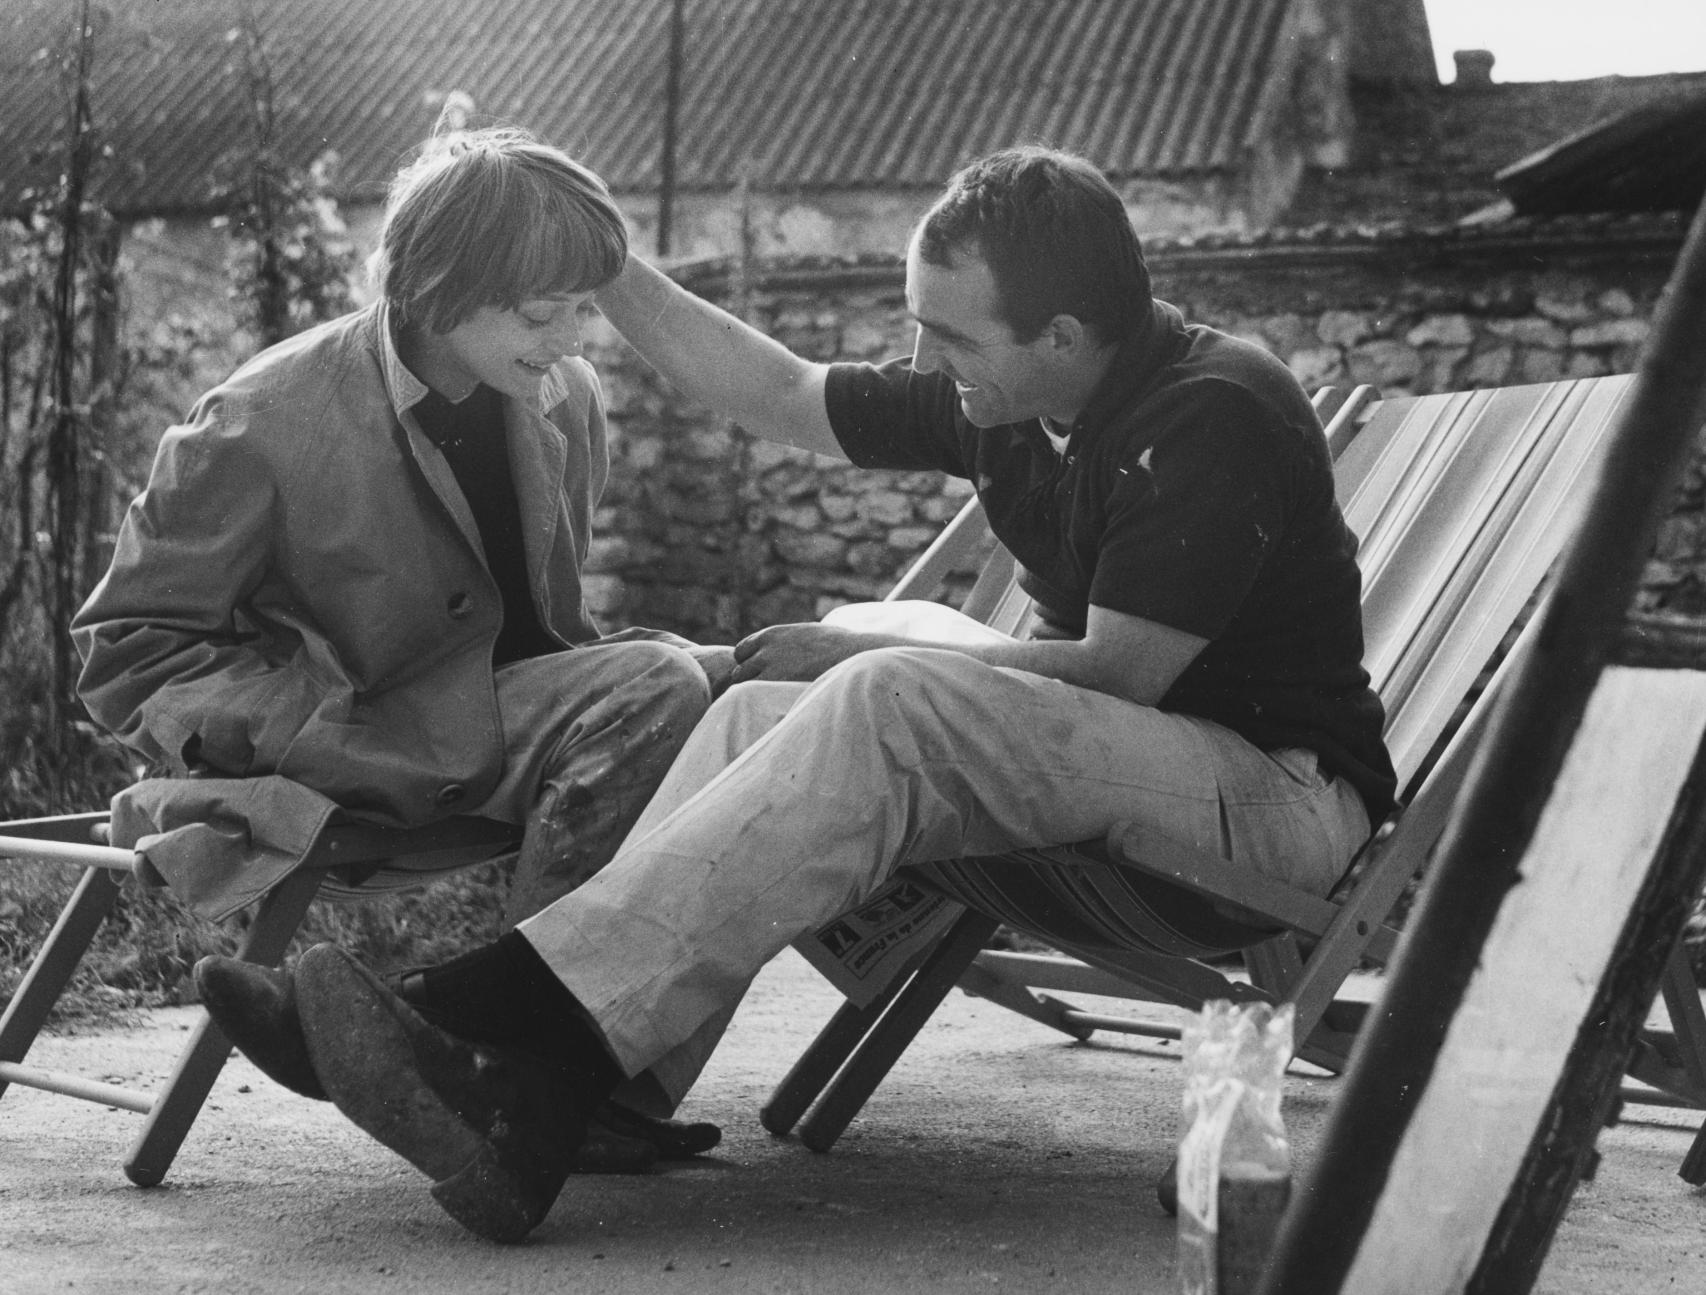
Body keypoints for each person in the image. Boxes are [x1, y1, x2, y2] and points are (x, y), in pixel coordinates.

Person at [197, 145, 1398, 1242]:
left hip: (1267, 799)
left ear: (1066, 337)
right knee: (752, 707)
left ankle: (474, 1012)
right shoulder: (1012, 398)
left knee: (882, 692)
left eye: (951, 338)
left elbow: (1117, 676)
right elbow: (779, 392)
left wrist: (857, 658)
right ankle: (581, 1092)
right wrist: (601, 262)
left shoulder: (1207, 411)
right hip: (1131, 759)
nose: (924, 362)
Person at [73, 124, 733, 1169]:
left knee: (747, 700)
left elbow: (545, 632)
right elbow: (128, 655)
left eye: (584, 308)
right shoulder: (258, 418)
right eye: (542, 311)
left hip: (510, 726)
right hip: (355, 740)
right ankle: (545, 1068)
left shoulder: (564, 398)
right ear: (440, 281)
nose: (575, 339)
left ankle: (580, 1077)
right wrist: (325, 721)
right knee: (659, 682)